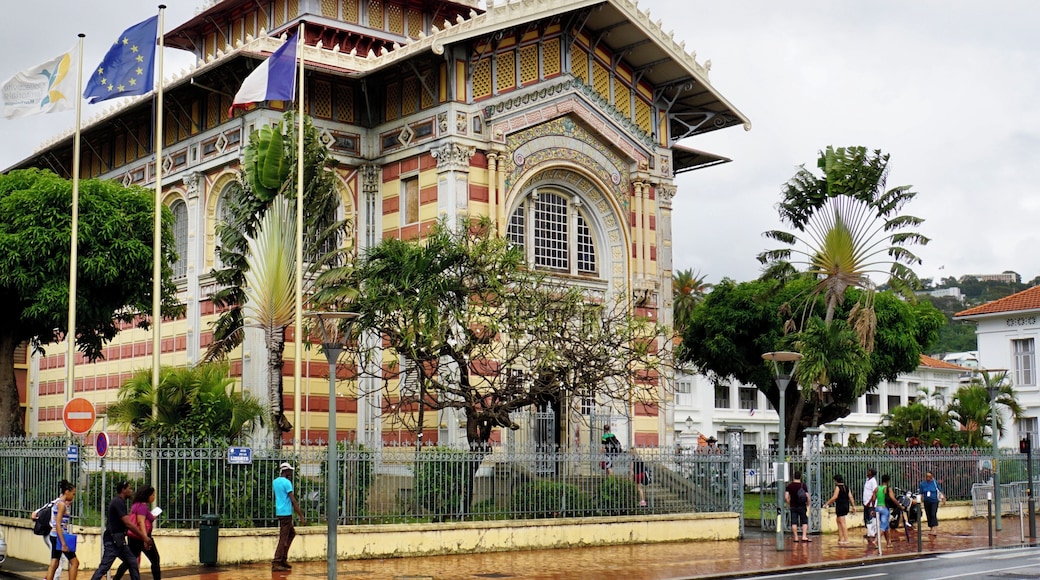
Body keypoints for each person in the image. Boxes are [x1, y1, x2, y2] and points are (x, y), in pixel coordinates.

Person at [89, 481, 151, 580]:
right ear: (123, 489)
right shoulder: (118, 502)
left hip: (119, 540)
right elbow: (128, 523)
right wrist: (144, 536)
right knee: (104, 567)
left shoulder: (120, 502)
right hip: (113, 541)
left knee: (132, 562)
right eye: (129, 488)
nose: (131, 491)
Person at [113, 485, 161, 580]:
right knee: (155, 560)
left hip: (133, 537)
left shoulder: (135, 505)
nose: (154, 497)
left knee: (129, 561)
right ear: (147, 495)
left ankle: (116, 578)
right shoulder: (143, 506)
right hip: (142, 537)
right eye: (153, 495)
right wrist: (145, 538)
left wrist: (152, 516)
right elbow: (140, 522)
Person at [272, 462, 306, 572]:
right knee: (283, 538)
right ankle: (277, 562)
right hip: (286, 513)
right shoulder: (287, 483)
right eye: (289, 471)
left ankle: (283, 559)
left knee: (291, 534)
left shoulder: (275, 482)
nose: (290, 473)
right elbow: (293, 500)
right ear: (285, 471)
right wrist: (301, 515)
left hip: (279, 511)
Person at [45, 480, 79, 580]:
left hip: (54, 535)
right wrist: (63, 543)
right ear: (67, 492)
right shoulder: (61, 505)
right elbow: (58, 524)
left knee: (54, 562)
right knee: (75, 562)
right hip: (60, 536)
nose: (73, 496)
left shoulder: (59, 501)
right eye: (73, 494)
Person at [823, 474, 855, 545]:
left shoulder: (838, 487)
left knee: (842, 522)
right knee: (838, 520)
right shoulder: (846, 487)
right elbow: (850, 496)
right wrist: (853, 506)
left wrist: (827, 503)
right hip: (846, 505)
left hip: (840, 506)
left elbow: (835, 497)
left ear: (836, 481)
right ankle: (841, 538)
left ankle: (846, 539)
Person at [870, 473, 900, 549]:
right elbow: (893, 498)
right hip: (884, 509)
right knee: (883, 526)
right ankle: (875, 541)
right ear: (888, 481)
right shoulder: (887, 489)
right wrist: (900, 506)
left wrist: (873, 509)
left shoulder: (877, 488)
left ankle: (889, 543)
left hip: (877, 508)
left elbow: (873, 499)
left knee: (886, 526)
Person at [784, 470, 810, 542]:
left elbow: (786, 497)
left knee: (794, 521)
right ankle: (804, 536)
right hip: (802, 505)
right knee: (804, 521)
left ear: (793, 477)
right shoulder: (803, 485)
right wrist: (808, 504)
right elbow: (807, 496)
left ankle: (796, 537)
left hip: (793, 505)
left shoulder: (789, 486)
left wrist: (789, 503)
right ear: (800, 477)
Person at [918, 471, 946, 536]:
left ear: (932, 477)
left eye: (929, 477)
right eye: (927, 476)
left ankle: (934, 528)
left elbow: (940, 490)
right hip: (926, 501)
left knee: (933, 514)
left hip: (934, 501)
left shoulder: (935, 483)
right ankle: (931, 528)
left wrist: (943, 498)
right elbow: (921, 493)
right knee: (928, 514)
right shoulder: (923, 484)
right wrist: (919, 501)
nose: (928, 478)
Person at [862, 468, 878, 545]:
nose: (867, 472)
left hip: (870, 504)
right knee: (866, 519)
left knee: (870, 519)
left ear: (871, 473)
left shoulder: (873, 481)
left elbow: (874, 493)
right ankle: (869, 533)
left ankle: (871, 534)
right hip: (866, 503)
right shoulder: (867, 480)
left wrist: (870, 502)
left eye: (868, 471)